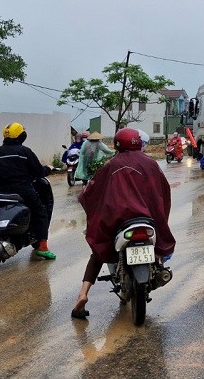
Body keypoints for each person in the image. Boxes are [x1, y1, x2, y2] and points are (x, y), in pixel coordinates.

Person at [71, 128, 176, 319]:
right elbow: (164, 192)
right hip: (146, 221)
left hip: (117, 222)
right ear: (137, 142)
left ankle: (83, 294)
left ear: (118, 144)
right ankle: (158, 266)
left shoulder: (111, 165)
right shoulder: (151, 164)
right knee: (158, 240)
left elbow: (92, 193)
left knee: (98, 250)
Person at [0, 122, 56, 259]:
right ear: (21, 135)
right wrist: (48, 168)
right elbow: (39, 171)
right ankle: (42, 246)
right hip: (22, 190)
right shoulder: (24, 152)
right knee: (41, 212)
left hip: (0, 191)